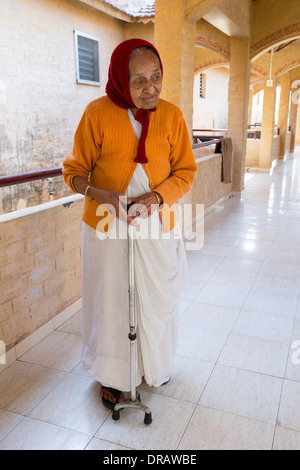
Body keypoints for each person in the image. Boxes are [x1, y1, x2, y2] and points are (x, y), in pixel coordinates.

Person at [62, 38, 197, 409]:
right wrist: (98, 193)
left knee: (155, 298)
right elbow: (73, 171)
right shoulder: (96, 113)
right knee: (113, 301)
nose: (151, 88)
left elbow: (186, 172)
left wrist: (156, 197)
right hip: (108, 227)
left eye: (156, 77)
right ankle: (115, 376)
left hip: (156, 226)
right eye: (139, 81)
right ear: (121, 80)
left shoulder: (172, 116)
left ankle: (155, 364)